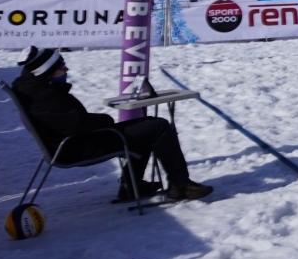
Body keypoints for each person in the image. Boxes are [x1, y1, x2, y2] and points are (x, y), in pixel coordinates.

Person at [11, 47, 212, 201]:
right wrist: (106, 120)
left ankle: (131, 186)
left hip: (74, 141)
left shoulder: (32, 88)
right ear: (46, 73)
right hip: (76, 146)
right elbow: (76, 125)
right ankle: (180, 185)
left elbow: (71, 121)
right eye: (61, 67)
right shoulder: (43, 96)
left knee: (146, 125)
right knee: (158, 127)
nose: (66, 69)